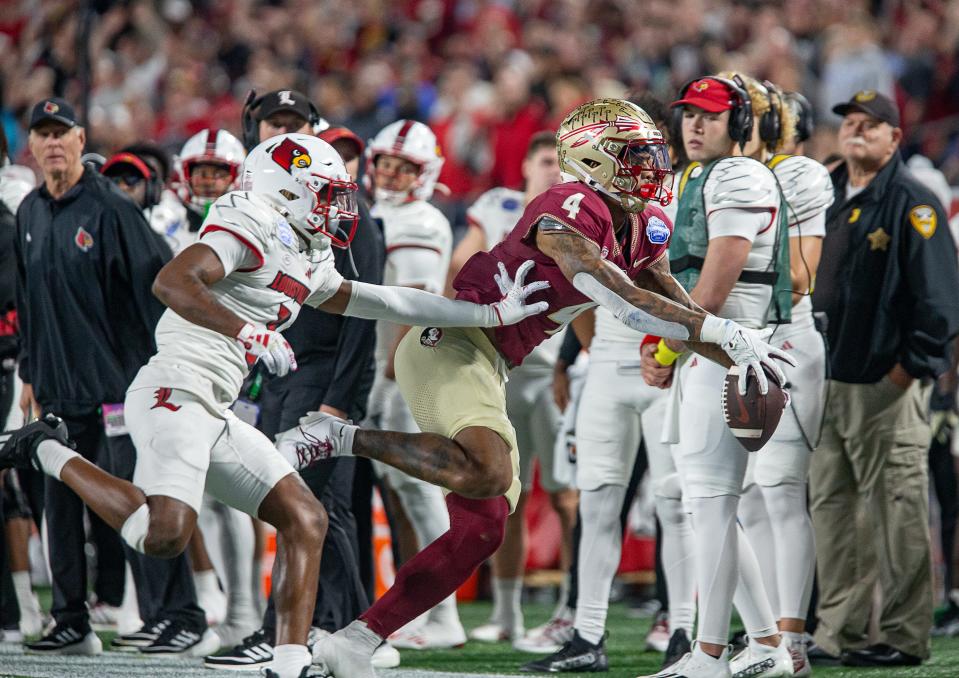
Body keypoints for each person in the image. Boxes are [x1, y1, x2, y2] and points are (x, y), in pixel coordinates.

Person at [274, 99, 793, 678]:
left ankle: (357, 639)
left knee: (483, 529)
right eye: (635, 154)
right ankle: (341, 436)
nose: (651, 164)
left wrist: (745, 356)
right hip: (448, 340)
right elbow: (619, 296)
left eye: (651, 153)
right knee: (490, 472)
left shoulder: (643, 219)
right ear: (594, 159)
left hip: (491, 363)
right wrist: (724, 330)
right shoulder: (567, 207)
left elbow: (673, 304)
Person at [0, 132, 549, 678]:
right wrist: (248, 332)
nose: (338, 206)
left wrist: (488, 316)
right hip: (174, 389)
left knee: (305, 518)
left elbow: (382, 299)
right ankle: (47, 449)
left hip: (215, 407)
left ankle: (289, 666)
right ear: (285, 190)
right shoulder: (247, 223)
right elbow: (174, 281)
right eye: (324, 192)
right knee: (164, 535)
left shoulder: (307, 250)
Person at [12, 97, 210, 656]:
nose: (52, 143)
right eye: (42, 134)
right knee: (61, 508)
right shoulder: (28, 211)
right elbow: (27, 301)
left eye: (62, 133)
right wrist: (30, 372)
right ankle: (71, 620)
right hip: (56, 389)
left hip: (120, 390)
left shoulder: (112, 209)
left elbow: (157, 292)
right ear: (31, 147)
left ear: (80, 141)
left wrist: (164, 369)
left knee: (141, 503)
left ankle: (179, 615)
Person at [521, 94, 695, 674]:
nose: (650, 163)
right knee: (597, 501)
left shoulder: (683, 189)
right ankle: (587, 632)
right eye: (634, 151)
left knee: (676, 503)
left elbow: (675, 286)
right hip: (615, 362)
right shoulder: (583, 203)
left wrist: (684, 345)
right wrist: (590, 353)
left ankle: (686, 629)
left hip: (666, 360)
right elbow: (587, 287)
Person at [639, 76, 796, 678]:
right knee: (707, 503)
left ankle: (708, 653)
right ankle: (764, 644)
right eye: (688, 115)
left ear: (740, 122)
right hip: (709, 347)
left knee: (709, 501)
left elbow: (717, 279)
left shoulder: (741, 176)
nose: (694, 126)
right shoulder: (694, 178)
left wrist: (669, 346)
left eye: (709, 115)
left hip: (734, 348)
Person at [809, 90, 959, 668]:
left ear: (895, 138)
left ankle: (902, 635)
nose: (856, 133)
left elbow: (942, 304)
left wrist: (906, 372)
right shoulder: (825, 195)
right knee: (834, 511)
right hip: (827, 381)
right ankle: (838, 632)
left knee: (898, 513)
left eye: (872, 126)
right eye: (849, 123)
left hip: (885, 385)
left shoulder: (912, 202)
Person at [715, 75, 834, 678]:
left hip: (785, 340)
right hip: (741, 346)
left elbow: (803, 275)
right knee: (750, 496)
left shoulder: (800, 174)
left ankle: (792, 637)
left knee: (781, 489)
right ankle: (764, 635)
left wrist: (725, 268)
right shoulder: (725, 178)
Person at [447, 131, 576, 652]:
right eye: (546, 161)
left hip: (551, 373)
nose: (554, 171)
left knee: (568, 496)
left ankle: (573, 608)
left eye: (561, 164)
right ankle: (507, 614)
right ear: (525, 165)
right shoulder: (499, 207)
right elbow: (458, 266)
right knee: (508, 494)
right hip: (502, 370)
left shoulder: (574, 214)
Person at [363, 119, 466, 650]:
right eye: (385, 162)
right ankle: (421, 609)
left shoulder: (420, 220)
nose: (391, 173)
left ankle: (444, 614)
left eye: (404, 166)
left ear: (425, 174)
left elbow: (407, 302)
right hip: (387, 362)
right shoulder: (385, 213)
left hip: (405, 365)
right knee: (401, 492)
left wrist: (386, 380)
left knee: (421, 493)